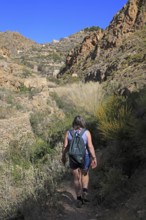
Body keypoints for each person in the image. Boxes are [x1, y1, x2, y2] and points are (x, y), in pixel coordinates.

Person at [61, 115, 97, 207]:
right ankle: (85, 190)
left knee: (76, 178)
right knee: (85, 174)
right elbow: (90, 146)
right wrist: (94, 157)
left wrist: (63, 156)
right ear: (82, 123)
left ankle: (79, 199)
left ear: (74, 122)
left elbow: (65, 147)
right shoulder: (86, 132)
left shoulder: (68, 133)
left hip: (73, 157)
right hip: (84, 157)